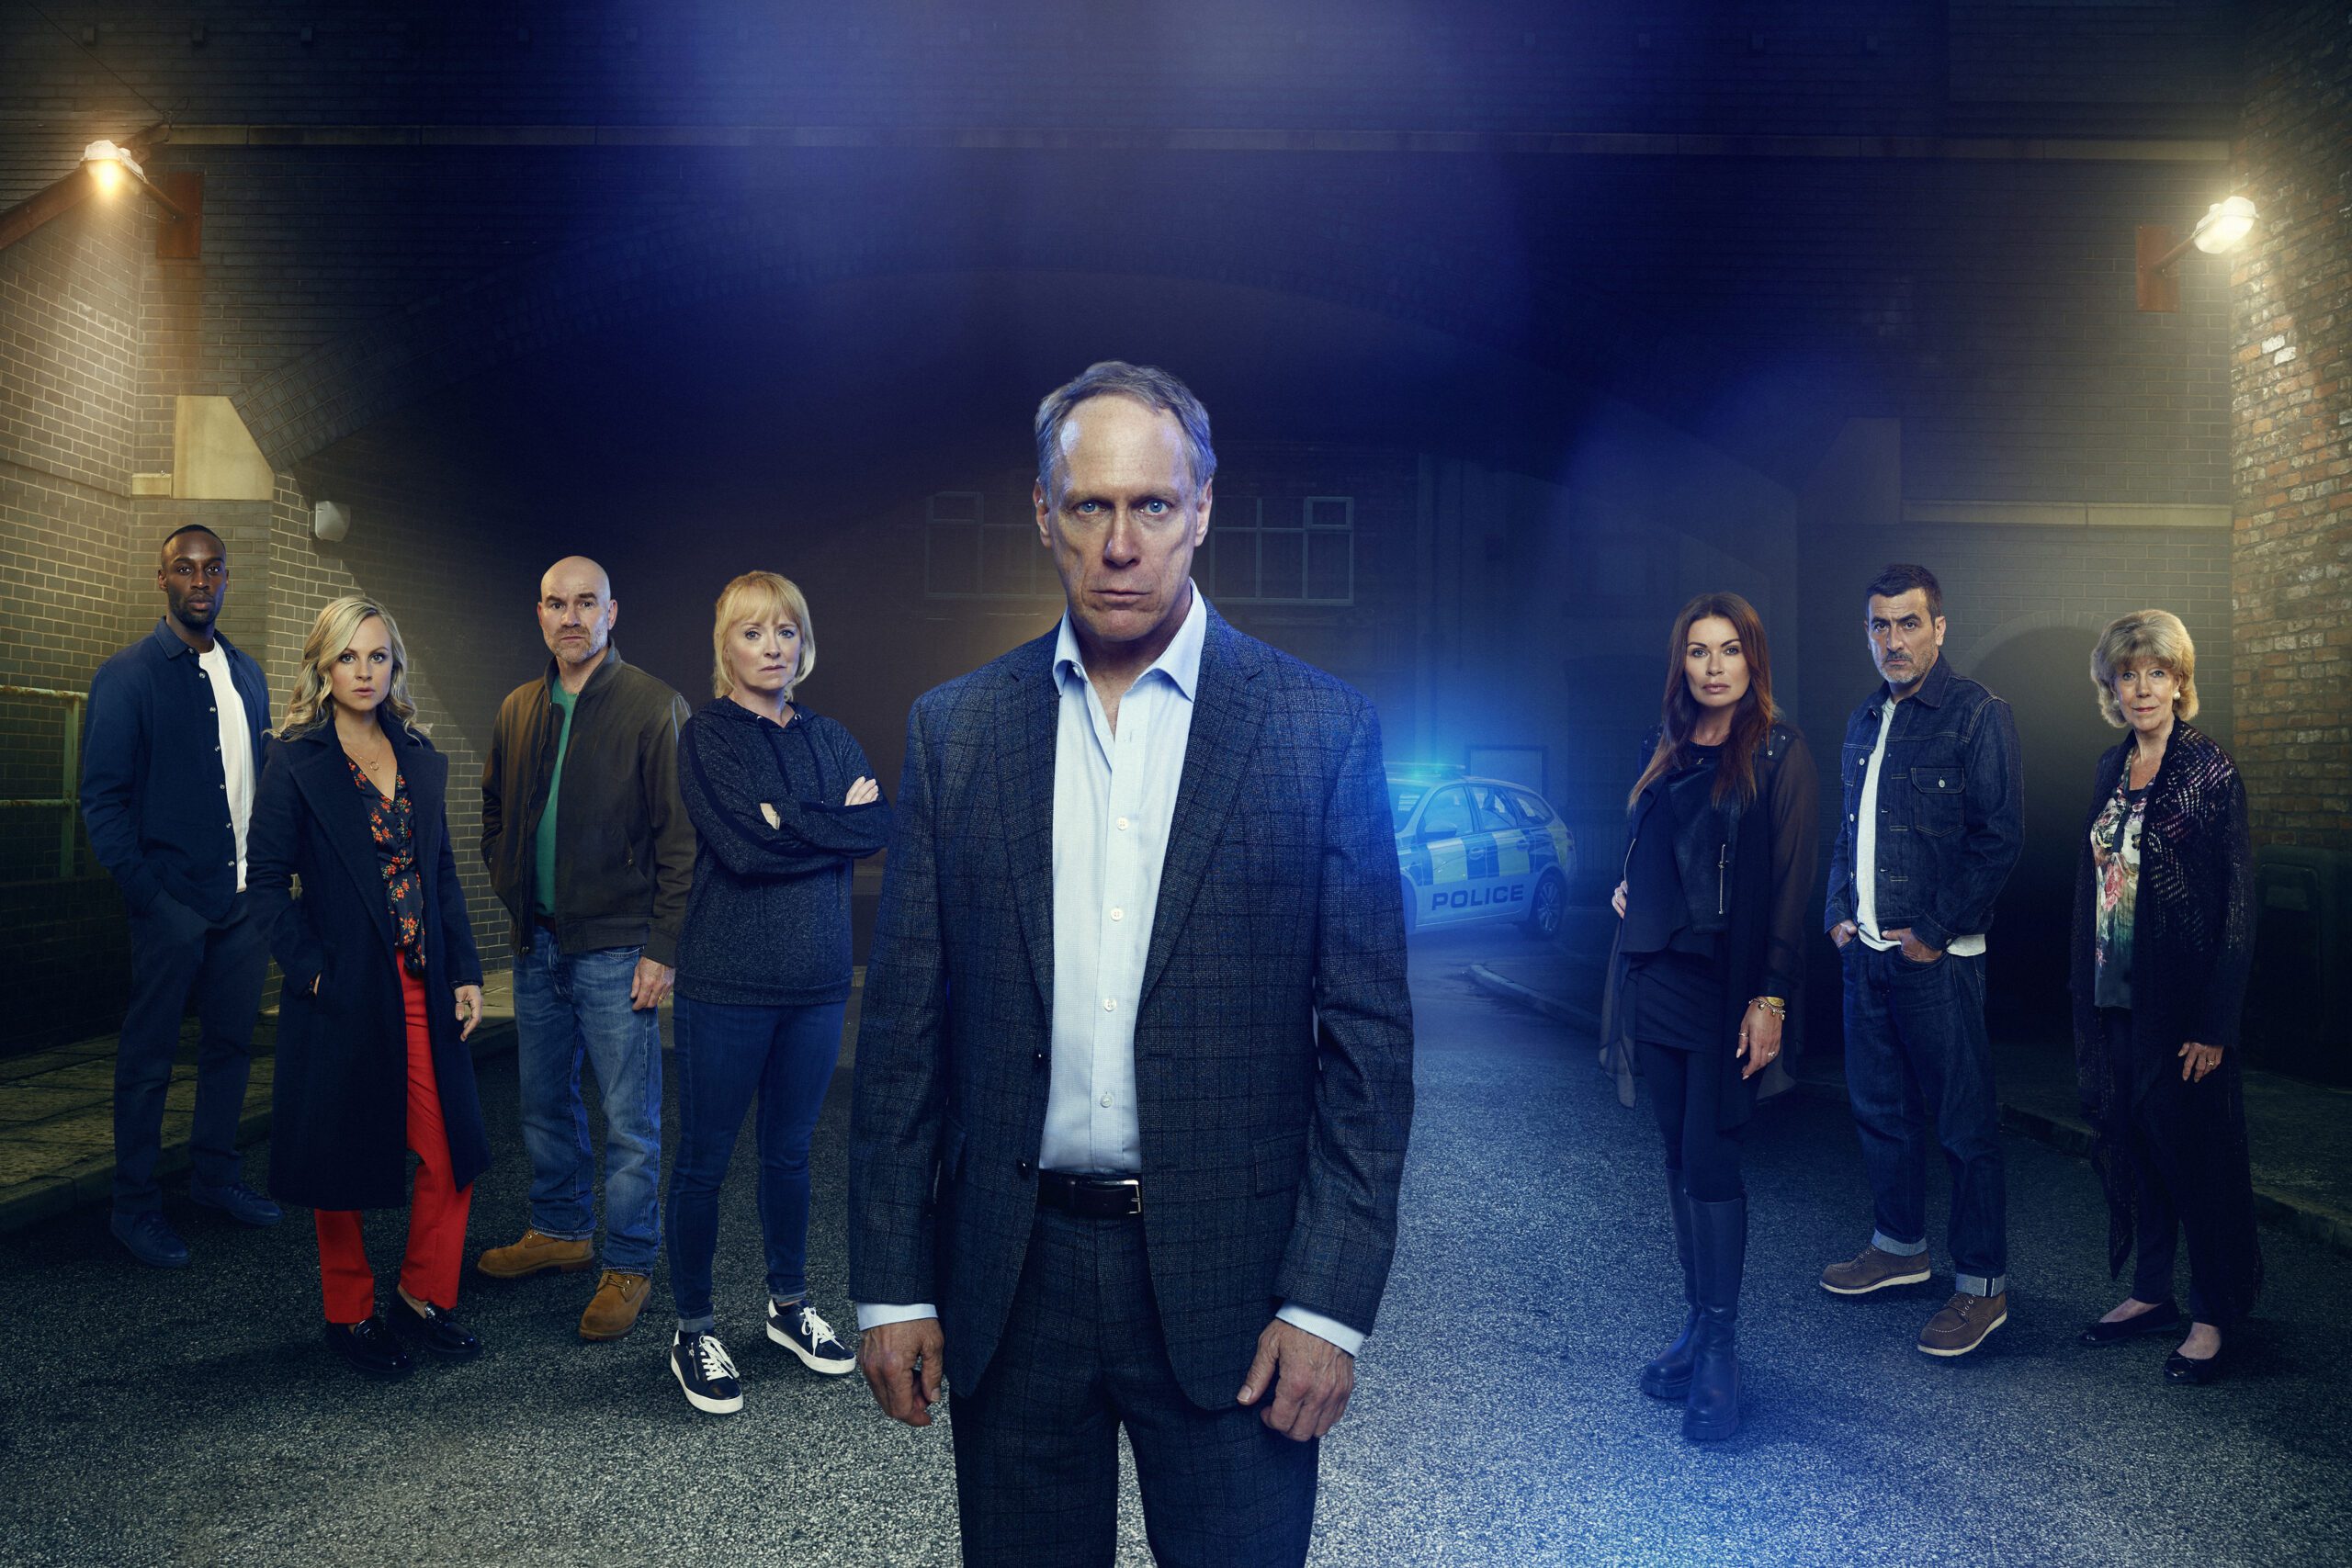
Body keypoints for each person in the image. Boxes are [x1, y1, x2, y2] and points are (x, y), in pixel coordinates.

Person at [847, 361, 1415, 1568]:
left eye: (1152, 505)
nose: (1121, 542)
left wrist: (1326, 1301)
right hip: (1014, 1276)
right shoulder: (958, 729)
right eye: (1091, 506)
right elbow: (904, 1033)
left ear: (1203, 508)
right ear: (1044, 513)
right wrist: (892, 1283)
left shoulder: (1319, 729)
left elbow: (1368, 1045)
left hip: (1237, 1286)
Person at [664, 570, 893, 1416]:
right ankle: (693, 1327)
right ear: (725, 646)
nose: (771, 647)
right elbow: (743, 852)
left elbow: (878, 827)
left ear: (804, 643)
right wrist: (826, 824)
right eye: (753, 633)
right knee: (704, 1161)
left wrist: (787, 817)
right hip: (727, 984)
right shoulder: (708, 737)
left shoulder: (829, 734)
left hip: (819, 985)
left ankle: (789, 1308)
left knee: (791, 1155)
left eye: (785, 632)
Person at [246, 597, 489, 1380]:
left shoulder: (416, 754)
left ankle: (420, 1298)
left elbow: (440, 873)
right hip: (345, 991)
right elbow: (261, 888)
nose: (363, 671)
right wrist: (314, 969)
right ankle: (347, 1314)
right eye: (348, 656)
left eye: (378, 657)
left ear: (395, 667)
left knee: (452, 1153)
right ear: (323, 664)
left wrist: (466, 971)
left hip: (421, 984)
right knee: (339, 1158)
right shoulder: (295, 759)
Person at [1600, 592, 1816, 1442]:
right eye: (1699, 650)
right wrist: (1629, 888)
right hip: (1654, 981)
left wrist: (1773, 996)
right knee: (1674, 1156)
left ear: (1751, 660)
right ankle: (1696, 1324)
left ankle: (1722, 1350)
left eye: (1729, 649)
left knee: (1713, 1157)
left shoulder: (1781, 751)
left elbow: (1792, 887)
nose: (1714, 665)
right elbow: (1649, 848)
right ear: (1682, 661)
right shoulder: (1665, 745)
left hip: (1729, 989)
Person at [476, 556, 695, 1342]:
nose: (571, 617)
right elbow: (496, 809)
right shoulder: (518, 707)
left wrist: (662, 946)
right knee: (542, 1104)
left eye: (586, 603)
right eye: (556, 604)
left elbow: (681, 838)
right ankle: (561, 1231)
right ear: (540, 613)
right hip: (538, 945)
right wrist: (511, 886)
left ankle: (630, 1261)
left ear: (611, 613)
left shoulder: (653, 705)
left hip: (616, 949)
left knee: (629, 1120)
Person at [1821, 563, 2023, 1357]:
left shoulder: (1976, 714)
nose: (1893, 640)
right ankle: (1900, 1250)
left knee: (1964, 1125)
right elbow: (1848, 829)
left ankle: (1982, 1289)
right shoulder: (1864, 717)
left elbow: (1999, 838)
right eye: (1880, 625)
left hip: (1937, 959)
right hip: (1865, 954)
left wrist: (1931, 933)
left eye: (1909, 623)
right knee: (1880, 1112)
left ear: (1940, 628)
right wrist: (1838, 913)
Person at [78, 525, 283, 1267]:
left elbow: (262, 783)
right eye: (184, 568)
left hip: (242, 906)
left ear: (228, 579)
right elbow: (102, 802)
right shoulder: (128, 675)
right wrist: (153, 897)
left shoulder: (248, 674)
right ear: (161, 579)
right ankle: (133, 1207)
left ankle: (215, 1178)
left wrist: (267, 884)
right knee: (150, 1057)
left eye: (213, 568)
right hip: (172, 903)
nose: (201, 580)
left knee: (231, 1047)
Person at [2069, 610, 2260, 1385]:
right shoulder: (2111, 768)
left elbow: (2240, 905)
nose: (2142, 687)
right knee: (2137, 1147)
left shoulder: (2209, 770)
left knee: (2197, 1161)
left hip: (2182, 1010)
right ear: (2111, 685)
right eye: (2128, 673)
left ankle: (2215, 1310)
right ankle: (2151, 1292)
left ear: (2180, 682)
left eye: (2157, 672)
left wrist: (2216, 1024)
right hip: (2115, 996)